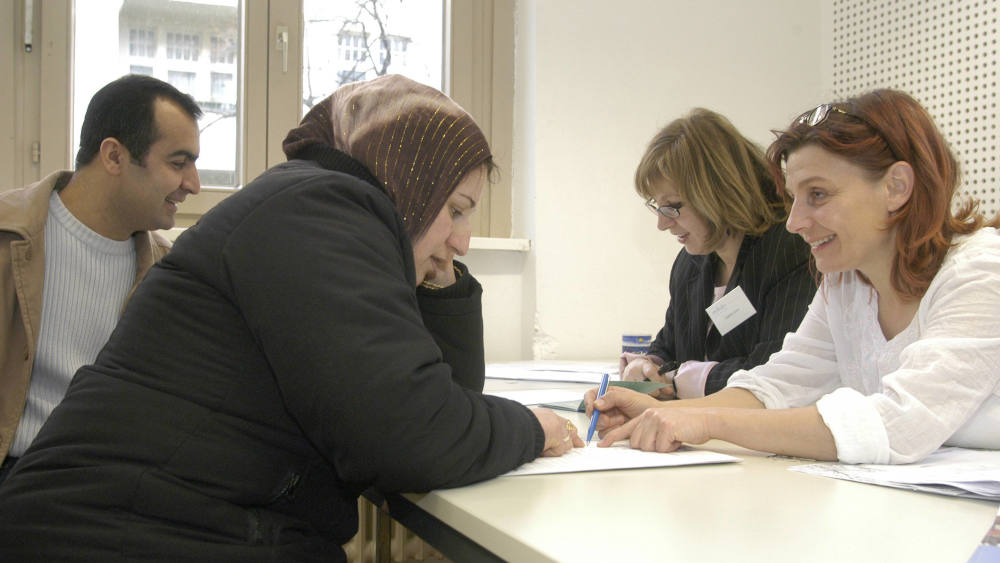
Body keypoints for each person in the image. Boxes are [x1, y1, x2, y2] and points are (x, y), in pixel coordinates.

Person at [0, 75, 582, 561]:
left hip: (178, 528)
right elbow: (416, 437)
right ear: (409, 184)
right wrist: (535, 429)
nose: (464, 238)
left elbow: (443, 407)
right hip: (123, 537)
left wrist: (442, 273)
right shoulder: (319, 212)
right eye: (454, 209)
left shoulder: (329, 216)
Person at [588, 89, 1000, 465]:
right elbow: (778, 386)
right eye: (794, 197)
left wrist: (705, 421)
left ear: (896, 187)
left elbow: (899, 424)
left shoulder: (980, 272)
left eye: (817, 194)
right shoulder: (846, 283)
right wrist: (660, 411)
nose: (793, 222)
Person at [0, 74, 201, 484]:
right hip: (15, 475)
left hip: (111, 485)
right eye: (178, 163)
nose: (193, 185)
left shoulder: (168, 269)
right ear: (113, 156)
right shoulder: (9, 238)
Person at [622, 108, 815, 399]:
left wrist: (678, 380)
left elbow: (773, 373)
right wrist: (647, 365)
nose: (662, 224)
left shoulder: (789, 251)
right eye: (657, 206)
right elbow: (669, 345)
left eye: (672, 206)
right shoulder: (691, 262)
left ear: (718, 192)